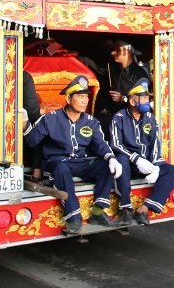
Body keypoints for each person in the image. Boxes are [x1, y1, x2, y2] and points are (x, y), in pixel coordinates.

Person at [22, 75, 122, 235]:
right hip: (57, 163)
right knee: (61, 168)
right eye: (80, 96)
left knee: (106, 166)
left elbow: (100, 144)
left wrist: (111, 158)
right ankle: (74, 217)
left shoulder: (91, 121)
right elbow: (32, 141)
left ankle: (97, 212)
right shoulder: (49, 119)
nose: (84, 101)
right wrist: (25, 124)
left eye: (86, 97)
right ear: (68, 98)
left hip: (81, 162)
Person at [110, 79, 174, 226]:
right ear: (132, 101)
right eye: (143, 98)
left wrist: (155, 166)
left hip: (147, 163)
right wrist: (136, 159)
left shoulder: (150, 118)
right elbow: (116, 144)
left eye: (148, 98)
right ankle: (126, 209)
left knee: (172, 170)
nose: (147, 101)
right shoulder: (119, 117)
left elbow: (155, 143)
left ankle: (144, 209)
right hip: (130, 162)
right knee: (121, 160)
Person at [97, 39, 149, 134]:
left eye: (117, 50)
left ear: (126, 51)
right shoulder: (112, 69)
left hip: (131, 121)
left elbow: (143, 102)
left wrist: (123, 98)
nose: (113, 52)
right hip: (113, 119)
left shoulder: (139, 75)